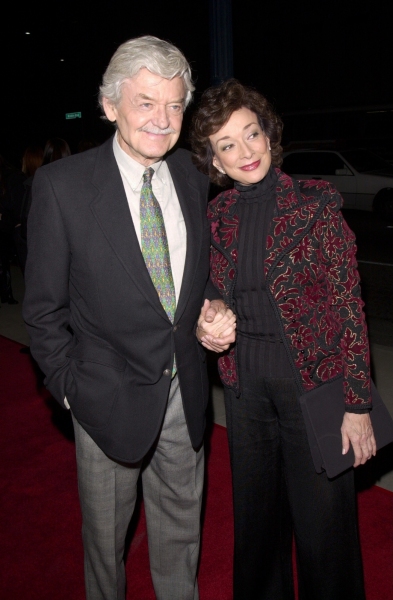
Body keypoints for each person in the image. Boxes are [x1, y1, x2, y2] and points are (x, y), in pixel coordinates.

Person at [23, 36, 235, 600]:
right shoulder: (61, 187)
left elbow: (194, 275)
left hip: (185, 394)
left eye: (173, 105)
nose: (163, 122)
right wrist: (71, 389)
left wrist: (210, 307)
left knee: (181, 541)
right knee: (106, 553)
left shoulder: (192, 176)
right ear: (110, 105)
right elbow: (42, 311)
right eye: (145, 103)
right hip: (104, 400)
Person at [190, 79, 375, 600]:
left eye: (251, 134)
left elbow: (349, 307)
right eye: (228, 145)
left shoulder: (315, 205)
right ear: (217, 162)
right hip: (245, 389)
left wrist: (357, 402)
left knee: (324, 530)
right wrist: (213, 312)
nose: (245, 151)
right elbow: (212, 286)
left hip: (312, 388)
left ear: (269, 135)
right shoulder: (218, 215)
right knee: (257, 525)